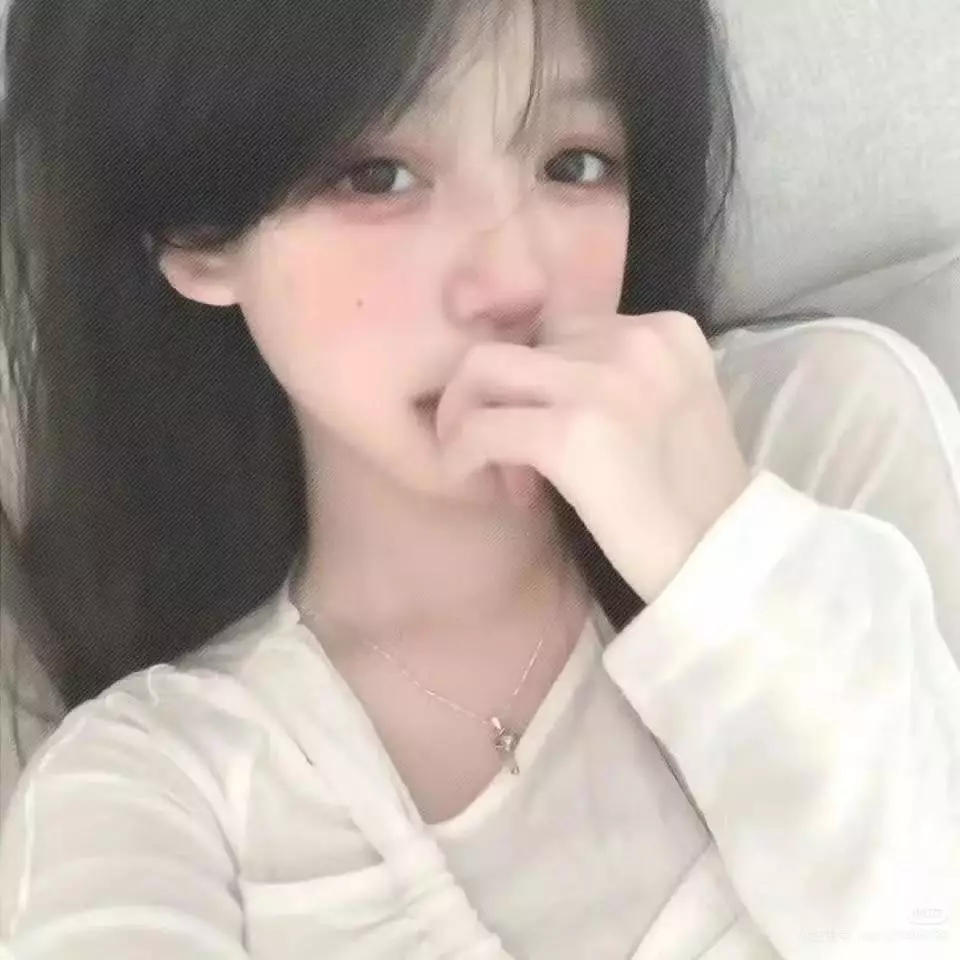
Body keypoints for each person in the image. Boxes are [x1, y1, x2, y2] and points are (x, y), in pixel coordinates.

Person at [0, 0, 957, 957]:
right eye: (378, 176)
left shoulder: (815, 435)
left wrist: (723, 562)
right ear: (197, 232)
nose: (513, 281)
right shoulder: (149, 789)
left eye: (575, 164)